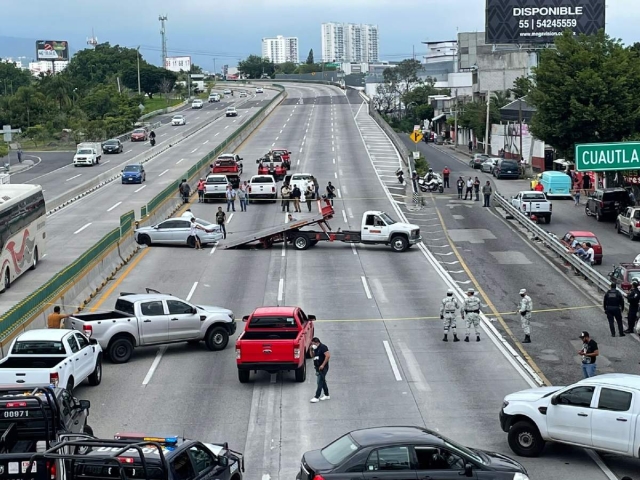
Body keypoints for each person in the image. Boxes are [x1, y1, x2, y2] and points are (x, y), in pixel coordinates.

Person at [310, 337, 330, 403]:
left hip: (323, 367)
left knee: (320, 381)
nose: (312, 345)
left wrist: (323, 365)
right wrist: (311, 350)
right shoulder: (315, 349)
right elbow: (312, 356)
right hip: (317, 367)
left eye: (313, 344)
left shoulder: (323, 347)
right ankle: (327, 394)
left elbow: (327, 356)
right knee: (322, 381)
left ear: (316, 342)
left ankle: (316, 396)